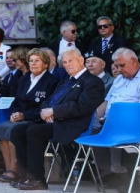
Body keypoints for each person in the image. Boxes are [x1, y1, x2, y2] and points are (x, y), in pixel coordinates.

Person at [9, 48, 105, 190]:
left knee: (34, 131)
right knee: (18, 131)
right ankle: (25, 176)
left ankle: (37, 180)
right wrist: (44, 111)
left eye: (70, 61)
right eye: (64, 62)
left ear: (81, 60)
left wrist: (54, 112)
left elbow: (82, 107)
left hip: (73, 125)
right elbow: (49, 100)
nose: (67, 65)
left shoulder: (92, 82)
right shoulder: (66, 80)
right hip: (54, 121)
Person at [0, 48, 58, 183]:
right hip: (21, 117)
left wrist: (23, 116)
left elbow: (44, 107)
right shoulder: (24, 79)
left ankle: (15, 170)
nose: (33, 64)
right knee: (2, 127)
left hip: (36, 120)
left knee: (14, 130)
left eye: (37, 61)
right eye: (31, 61)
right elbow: (17, 101)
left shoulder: (52, 81)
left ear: (45, 64)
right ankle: (8, 168)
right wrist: (14, 114)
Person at [92, 48, 140, 178]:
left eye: (122, 65)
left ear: (133, 61)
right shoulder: (119, 79)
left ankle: (124, 176)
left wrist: (113, 119)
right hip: (110, 123)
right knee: (90, 128)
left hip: (133, 125)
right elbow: (106, 101)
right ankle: (111, 172)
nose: (119, 70)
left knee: (111, 135)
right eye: (116, 66)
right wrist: (99, 116)